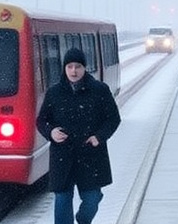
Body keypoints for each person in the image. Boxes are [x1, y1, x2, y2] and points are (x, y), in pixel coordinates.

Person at [37, 48, 121, 224]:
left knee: (92, 198)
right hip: (63, 156)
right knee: (62, 199)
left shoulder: (99, 90)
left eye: (78, 66)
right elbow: (41, 120)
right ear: (64, 68)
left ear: (84, 68)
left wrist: (99, 137)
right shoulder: (54, 92)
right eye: (69, 67)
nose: (73, 71)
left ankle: (83, 220)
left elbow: (113, 119)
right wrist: (51, 132)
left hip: (90, 154)